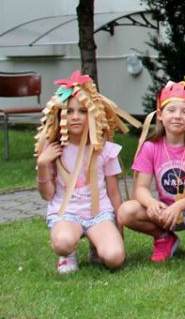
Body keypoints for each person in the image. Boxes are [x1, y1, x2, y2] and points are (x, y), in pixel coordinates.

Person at [34, 70, 140, 274]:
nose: (75, 117)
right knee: (63, 242)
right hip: (66, 214)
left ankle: (96, 245)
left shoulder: (103, 149)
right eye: (69, 111)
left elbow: (113, 193)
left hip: (98, 214)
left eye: (82, 111)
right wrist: (43, 164)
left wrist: (118, 232)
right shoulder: (53, 148)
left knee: (114, 258)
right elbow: (47, 195)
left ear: (92, 115)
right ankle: (68, 254)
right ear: (60, 115)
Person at [118, 77, 185, 262]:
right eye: (171, 110)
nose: (177, 116)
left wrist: (180, 206)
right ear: (160, 115)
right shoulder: (151, 147)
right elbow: (140, 188)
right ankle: (164, 237)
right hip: (165, 212)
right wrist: (150, 203)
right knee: (126, 211)